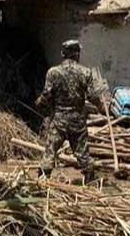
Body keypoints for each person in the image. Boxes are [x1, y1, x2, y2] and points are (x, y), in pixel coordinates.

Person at [37, 39, 109, 184]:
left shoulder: (53, 72)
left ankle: (43, 179)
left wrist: (39, 102)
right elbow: (92, 96)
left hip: (59, 119)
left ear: (63, 54)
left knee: (50, 150)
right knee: (82, 153)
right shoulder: (85, 72)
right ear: (77, 54)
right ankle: (89, 178)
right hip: (77, 121)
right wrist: (101, 106)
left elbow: (47, 94)